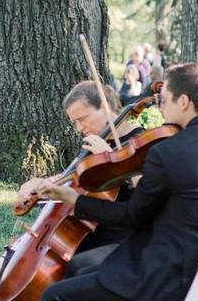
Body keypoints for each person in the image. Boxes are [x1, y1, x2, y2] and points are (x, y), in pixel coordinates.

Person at [38, 63, 198, 301]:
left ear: (183, 101)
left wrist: (74, 199)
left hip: (168, 276)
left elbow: (131, 216)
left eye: (165, 100)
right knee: (85, 271)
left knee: (54, 296)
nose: (161, 106)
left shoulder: (168, 152)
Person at [13, 81, 144, 278]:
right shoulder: (94, 141)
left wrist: (111, 158)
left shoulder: (139, 142)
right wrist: (40, 183)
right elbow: (73, 179)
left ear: (106, 107)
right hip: (88, 228)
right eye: (74, 122)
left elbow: (146, 191)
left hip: (120, 233)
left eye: (83, 119)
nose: (79, 127)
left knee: (63, 270)